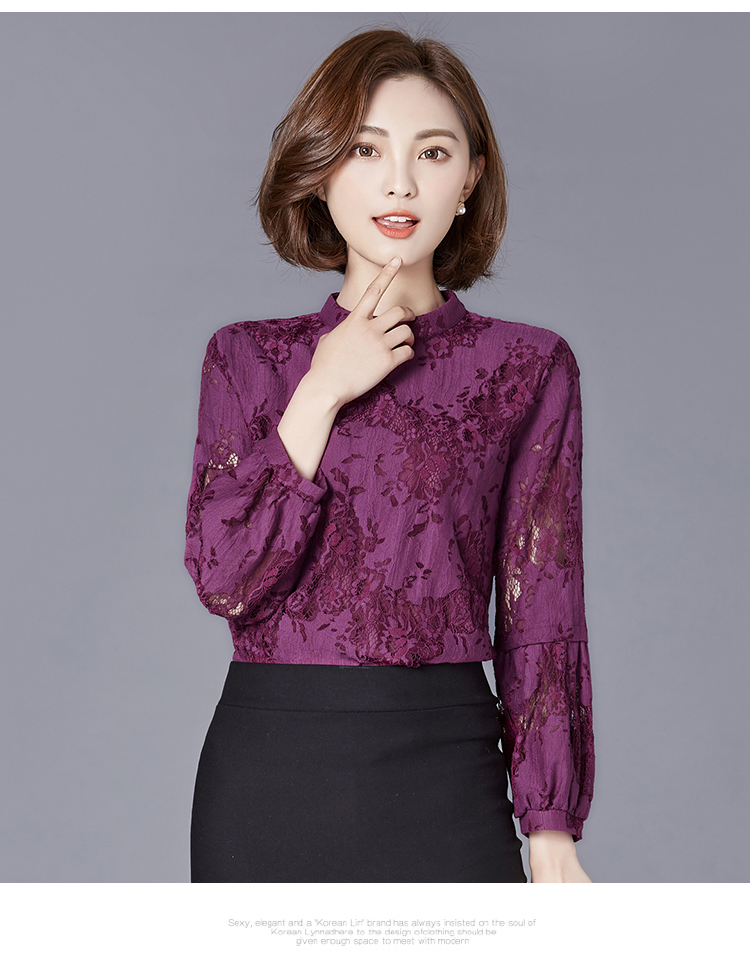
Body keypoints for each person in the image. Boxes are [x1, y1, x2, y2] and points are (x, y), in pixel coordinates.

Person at [185, 27, 594, 883]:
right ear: (321, 169)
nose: (400, 182)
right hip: (269, 775)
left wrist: (550, 826)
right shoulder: (248, 357)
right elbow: (224, 578)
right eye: (365, 149)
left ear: (470, 177)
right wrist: (321, 389)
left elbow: (543, 609)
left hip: (446, 767)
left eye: (432, 152)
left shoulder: (527, 366)